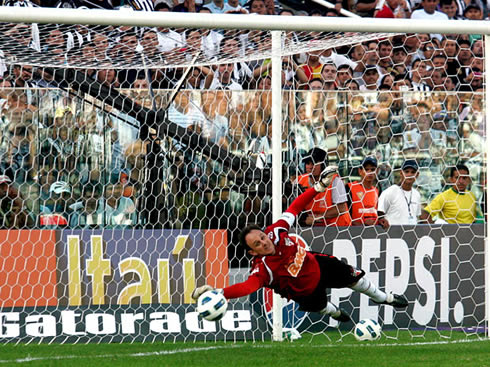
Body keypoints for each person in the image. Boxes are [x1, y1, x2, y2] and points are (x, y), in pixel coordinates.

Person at [192, 167, 408, 321]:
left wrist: (318, 187)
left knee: (355, 278)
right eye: (258, 244)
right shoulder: (262, 270)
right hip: (305, 292)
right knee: (324, 308)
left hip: (317, 264)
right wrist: (219, 292)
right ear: (252, 252)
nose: (264, 242)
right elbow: (247, 287)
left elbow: (295, 207)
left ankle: (385, 298)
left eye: (262, 237)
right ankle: (336, 313)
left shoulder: (276, 230)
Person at [296, 147, 351, 226]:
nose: (310, 167)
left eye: (314, 163)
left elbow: (341, 208)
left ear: (324, 164)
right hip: (314, 229)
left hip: (336, 228)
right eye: (308, 163)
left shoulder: (335, 181)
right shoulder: (299, 181)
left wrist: (317, 218)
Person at [377, 160, 422, 226]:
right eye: (406, 172)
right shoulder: (391, 191)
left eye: (413, 172)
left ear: (417, 175)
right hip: (394, 234)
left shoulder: (417, 194)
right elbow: (379, 211)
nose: (409, 174)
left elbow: (417, 216)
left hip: (411, 234)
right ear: (401, 173)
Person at [346, 156, 385, 227]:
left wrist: (381, 220)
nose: (369, 172)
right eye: (366, 169)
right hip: (355, 232)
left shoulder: (377, 191)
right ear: (360, 171)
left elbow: (378, 213)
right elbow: (345, 216)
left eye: (372, 169)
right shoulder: (350, 188)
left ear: (377, 171)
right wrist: (362, 225)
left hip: (374, 232)